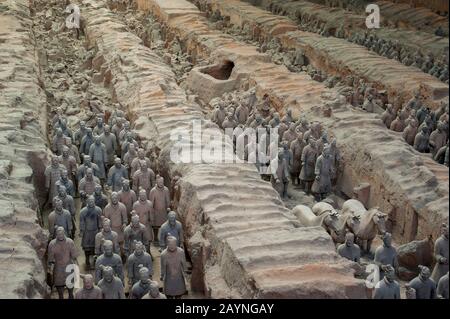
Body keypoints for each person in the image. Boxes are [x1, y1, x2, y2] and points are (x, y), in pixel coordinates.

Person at [47, 227, 78, 299]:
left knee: (70, 290)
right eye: (58, 234)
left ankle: (70, 296)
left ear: (64, 233)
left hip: (69, 266)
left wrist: (76, 266)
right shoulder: (52, 244)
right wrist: (50, 269)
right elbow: (50, 259)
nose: (60, 235)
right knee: (59, 289)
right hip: (58, 268)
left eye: (62, 234)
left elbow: (74, 256)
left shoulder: (70, 242)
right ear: (56, 234)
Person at [79, 196, 102, 269]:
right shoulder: (83, 211)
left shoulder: (98, 210)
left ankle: (95, 260)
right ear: (87, 202)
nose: (91, 202)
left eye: (92, 201)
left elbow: (100, 220)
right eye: (90, 201)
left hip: (95, 231)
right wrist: (82, 230)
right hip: (87, 232)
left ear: (94, 201)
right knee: (87, 247)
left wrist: (100, 229)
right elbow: (82, 222)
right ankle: (87, 260)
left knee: (96, 246)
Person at [149, 176, 171, 242]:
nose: (161, 183)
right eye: (159, 182)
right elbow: (151, 203)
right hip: (156, 211)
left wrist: (168, 207)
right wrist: (151, 212)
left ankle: (163, 239)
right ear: (157, 182)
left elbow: (167, 200)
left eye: (162, 182)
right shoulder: (153, 191)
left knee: (164, 226)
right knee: (155, 226)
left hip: (164, 211)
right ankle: (155, 238)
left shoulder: (166, 189)